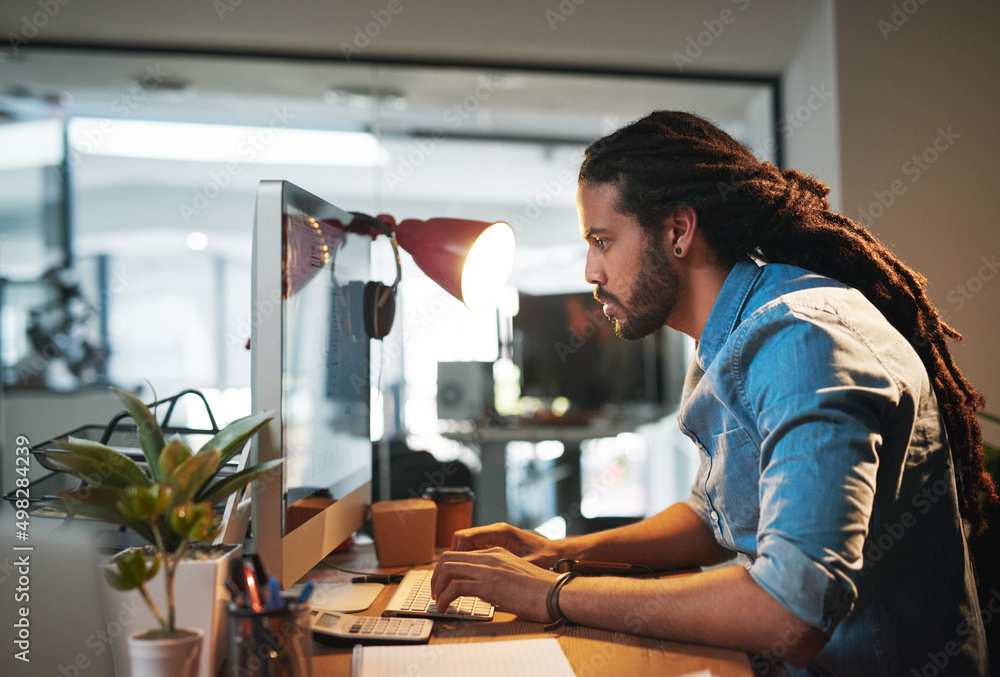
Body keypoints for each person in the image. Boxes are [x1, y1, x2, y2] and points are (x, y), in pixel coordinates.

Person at [431, 111, 995, 675]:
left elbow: (790, 611)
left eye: (603, 241)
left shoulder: (800, 341)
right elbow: (714, 518)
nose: (590, 271)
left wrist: (550, 594)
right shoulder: (730, 331)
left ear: (678, 231)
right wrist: (556, 554)